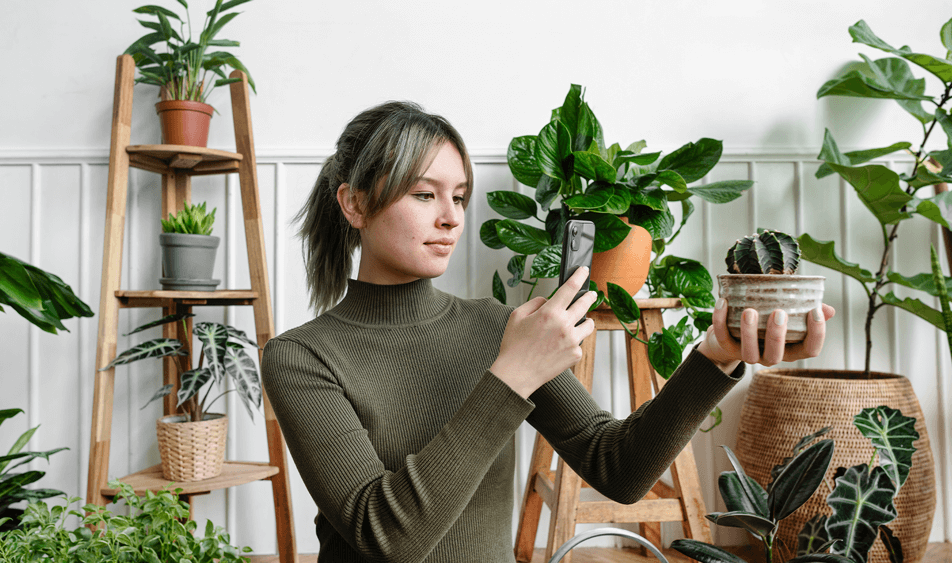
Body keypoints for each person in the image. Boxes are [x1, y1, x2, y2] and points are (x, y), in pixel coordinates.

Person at [260, 101, 835, 563]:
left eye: (459, 196)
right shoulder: (302, 357)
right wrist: (513, 374)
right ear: (355, 204)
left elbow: (620, 467)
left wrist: (715, 355)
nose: (452, 217)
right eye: (423, 194)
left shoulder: (493, 327)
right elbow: (385, 537)